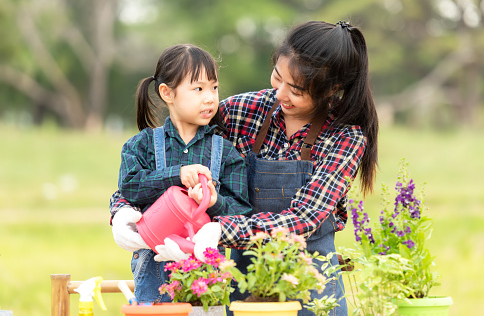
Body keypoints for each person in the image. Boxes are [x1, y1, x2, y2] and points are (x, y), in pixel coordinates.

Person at [111, 20, 378, 316]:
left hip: (311, 290)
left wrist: (219, 230)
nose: (280, 94)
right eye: (278, 77)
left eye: (297, 90)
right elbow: (173, 157)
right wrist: (121, 209)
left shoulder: (344, 137)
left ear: (333, 89)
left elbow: (303, 218)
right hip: (243, 288)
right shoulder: (243, 110)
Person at [111, 44, 251, 304]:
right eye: (198, 89)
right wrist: (177, 175)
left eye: (214, 88)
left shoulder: (226, 152)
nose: (209, 97)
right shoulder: (141, 145)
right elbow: (129, 186)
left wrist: (213, 203)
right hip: (154, 271)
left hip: (206, 282)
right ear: (167, 93)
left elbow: (242, 209)